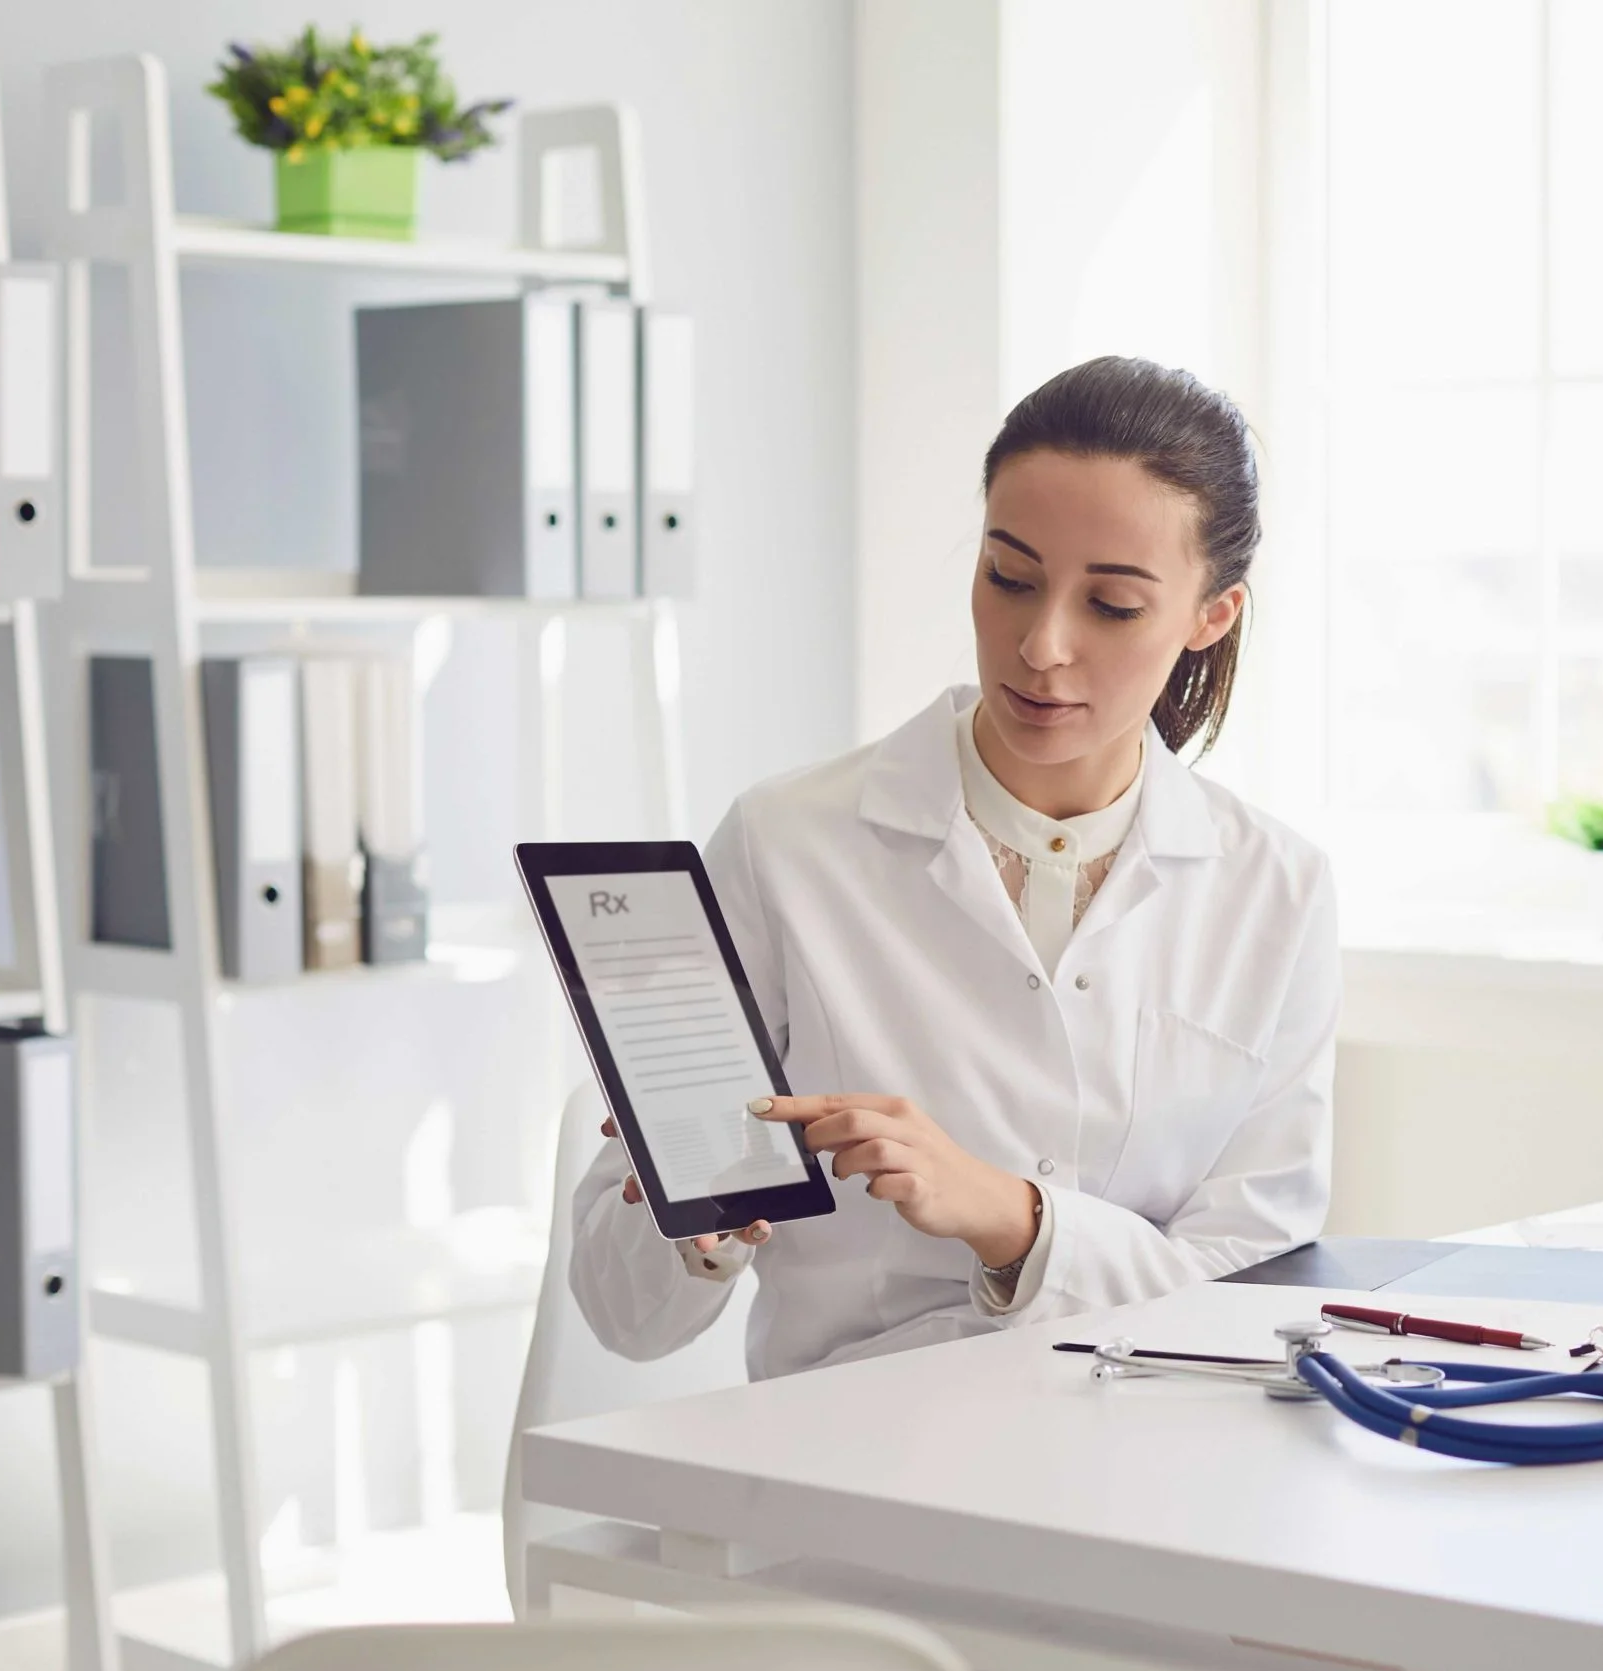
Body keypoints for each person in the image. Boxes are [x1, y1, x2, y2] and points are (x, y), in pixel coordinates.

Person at [569, 355, 1337, 1375]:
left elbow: (1253, 1287)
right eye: (1009, 578)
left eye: (1111, 606)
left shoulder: (1275, 890)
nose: (1040, 645)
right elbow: (625, 1319)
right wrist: (694, 1218)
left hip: (1150, 1460)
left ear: (1210, 616)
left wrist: (1016, 1222)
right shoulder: (787, 843)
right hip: (853, 1472)